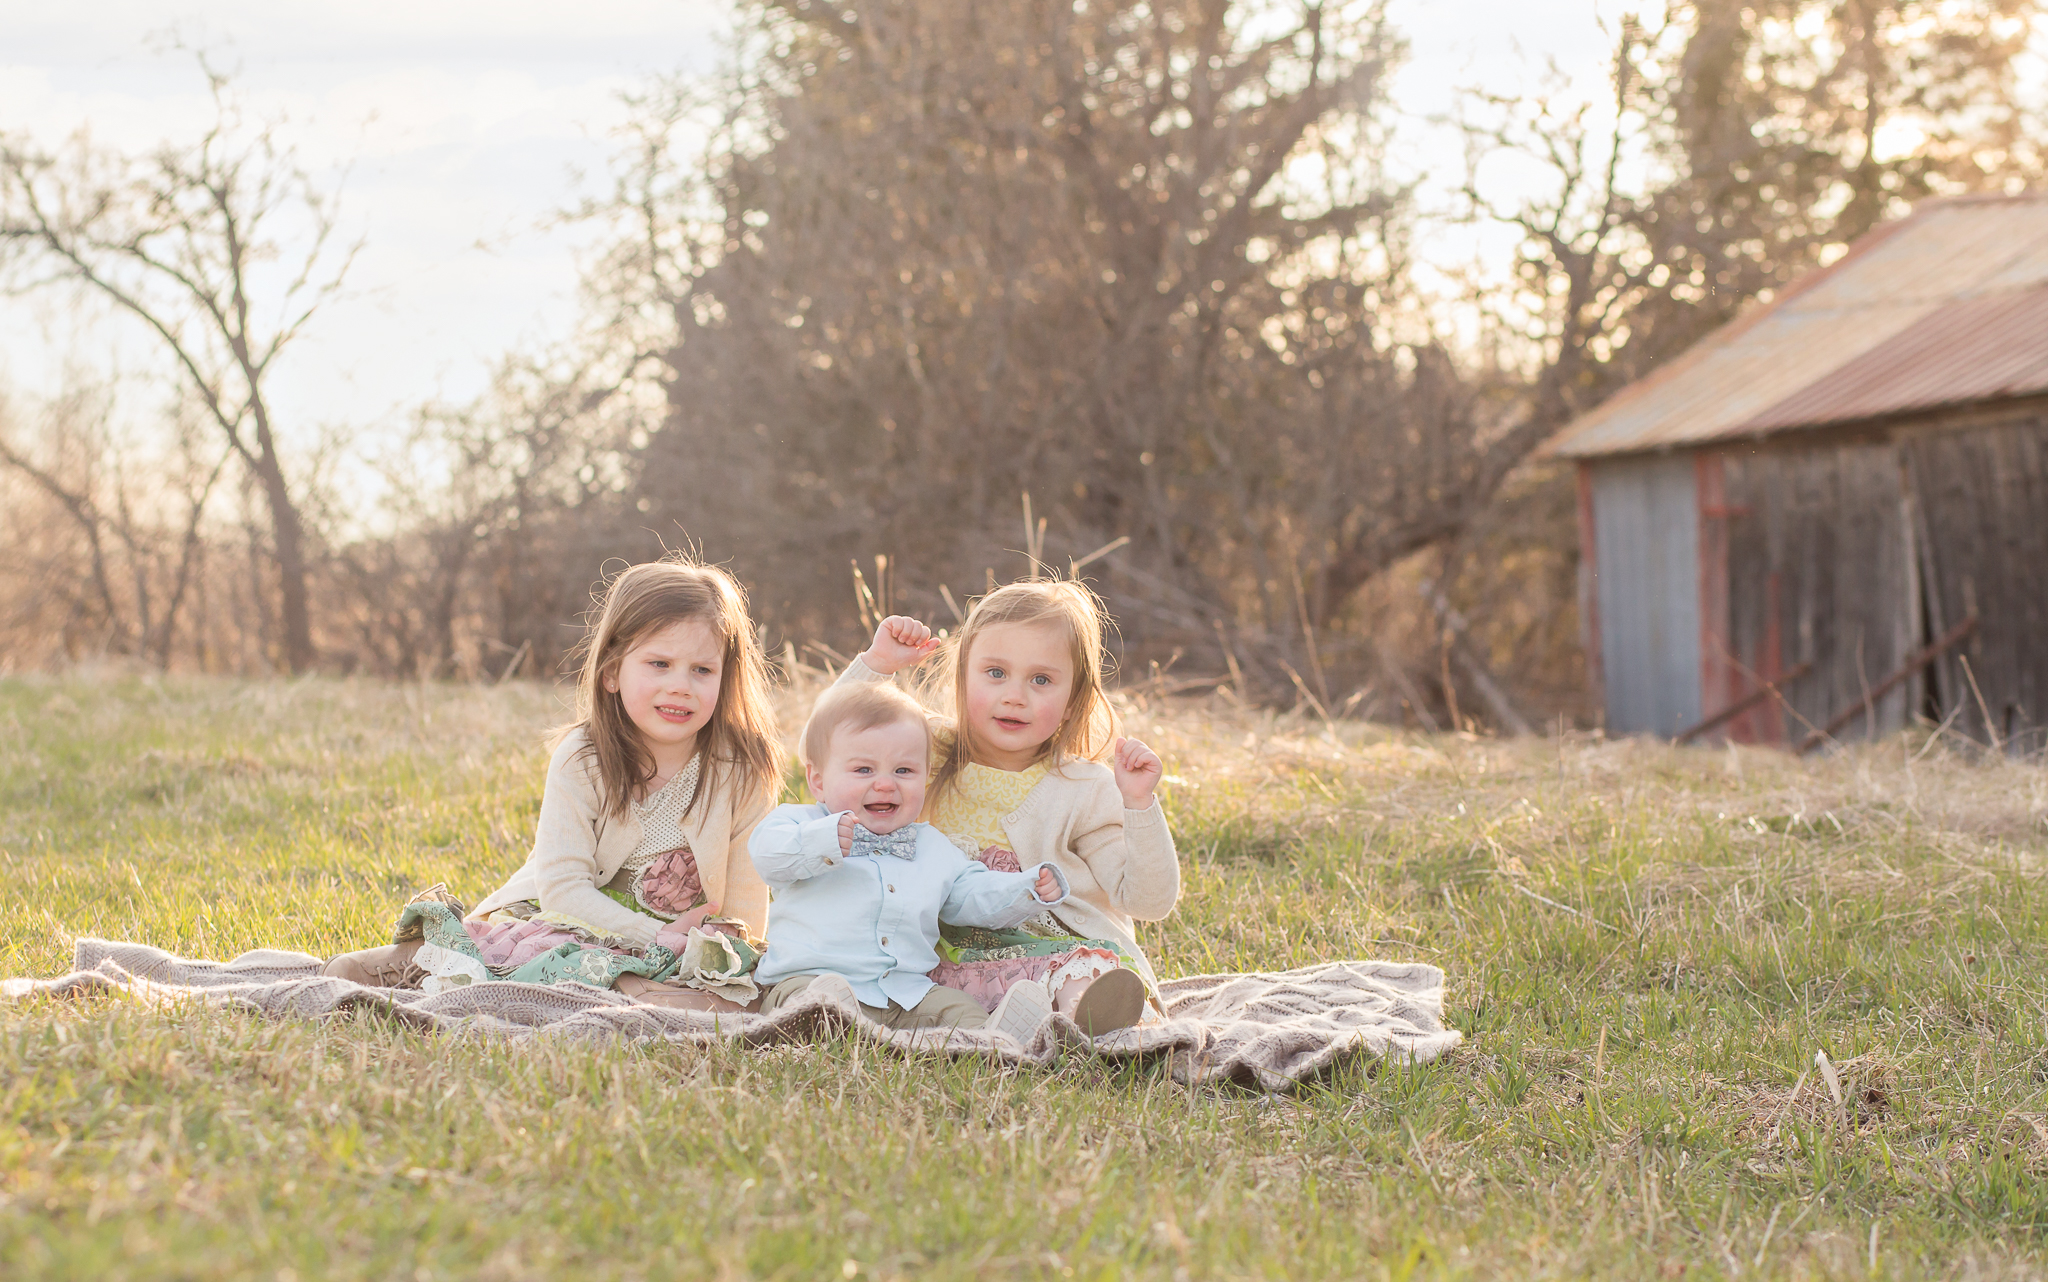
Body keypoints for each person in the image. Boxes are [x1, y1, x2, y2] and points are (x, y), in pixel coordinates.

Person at [320, 556, 780, 1011]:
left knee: (737, 994)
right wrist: (651, 936)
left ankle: (644, 993)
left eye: (702, 670)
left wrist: (724, 952)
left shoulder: (740, 771)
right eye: (659, 663)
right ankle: (418, 964)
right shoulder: (585, 756)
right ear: (613, 673)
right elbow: (563, 888)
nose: (681, 685)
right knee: (525, 952)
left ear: (727, 677)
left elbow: (745, 905)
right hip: (570, 919)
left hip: (680, 946)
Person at [837, 580, 1176, 1033]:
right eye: (995, 673)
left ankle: (1088, 1026)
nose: (1015, 695)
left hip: (1050, 955)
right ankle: (1019, 1025)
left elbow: (1148, 902)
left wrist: (1138, 805)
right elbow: (833, 748)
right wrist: (877, 666)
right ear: (962, 676)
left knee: (1083, 975)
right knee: (890, 985)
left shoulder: (1084, 788)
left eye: (1041, 680)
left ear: (1074, 702)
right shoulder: (923, 752)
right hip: (942, 960)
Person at [750, 680, 1070, 1041]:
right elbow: (766, 856)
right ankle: (833, 1024)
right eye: (864, 770)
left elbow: (972, 893)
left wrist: (1026, 888)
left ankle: (996, 1039)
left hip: (904, 994)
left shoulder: (932, 846)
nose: (886, 784)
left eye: (904, 771)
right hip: (806, 979)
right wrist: (821, 842)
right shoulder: (799, 823)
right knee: (815, 1002)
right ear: (818, 781)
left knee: (959, 1009)